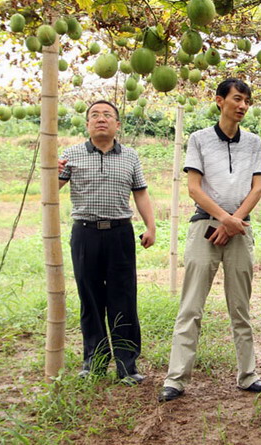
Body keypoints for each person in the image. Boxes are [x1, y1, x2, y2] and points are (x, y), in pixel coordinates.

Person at [159, 77, 261, 402]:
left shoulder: (253, 142)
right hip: (205, 227)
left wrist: (234, 222)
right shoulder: (199, 139)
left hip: (240, 229)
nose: (243, 106)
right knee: (191, 306)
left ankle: (248, 375)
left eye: (247, 101)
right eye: (237, 99)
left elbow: (257, 188)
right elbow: (194, 188)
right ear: (220, 100)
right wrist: (225, 218)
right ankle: (176, 379)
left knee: (240, 307)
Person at [58, 100, 156, 385]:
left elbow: (140, 193)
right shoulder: (71, 155)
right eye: (95, 115)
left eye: (107, 115)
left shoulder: (130, 156)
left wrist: (150, 226)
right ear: (87, 124)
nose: (101, 119)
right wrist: (52, 171)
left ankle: (127, 366)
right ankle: (95, 363)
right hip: (85, 234)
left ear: (117, 124)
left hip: (120, 234)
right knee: (90, 298)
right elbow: (51, 188)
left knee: (123, 298)